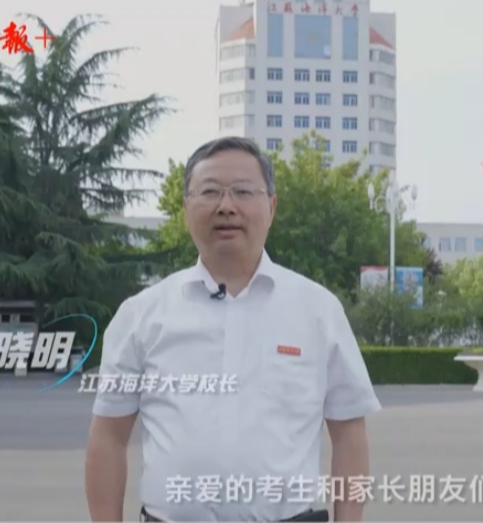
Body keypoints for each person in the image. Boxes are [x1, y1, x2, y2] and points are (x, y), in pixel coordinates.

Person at [85, 137, 381, 522]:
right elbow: (109, 437)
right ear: (186, 208)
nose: (226, 206)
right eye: (210, 192)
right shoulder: (141, 316)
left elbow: (349, 434)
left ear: (271, 207)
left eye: (243, 191)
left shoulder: (318, 311)